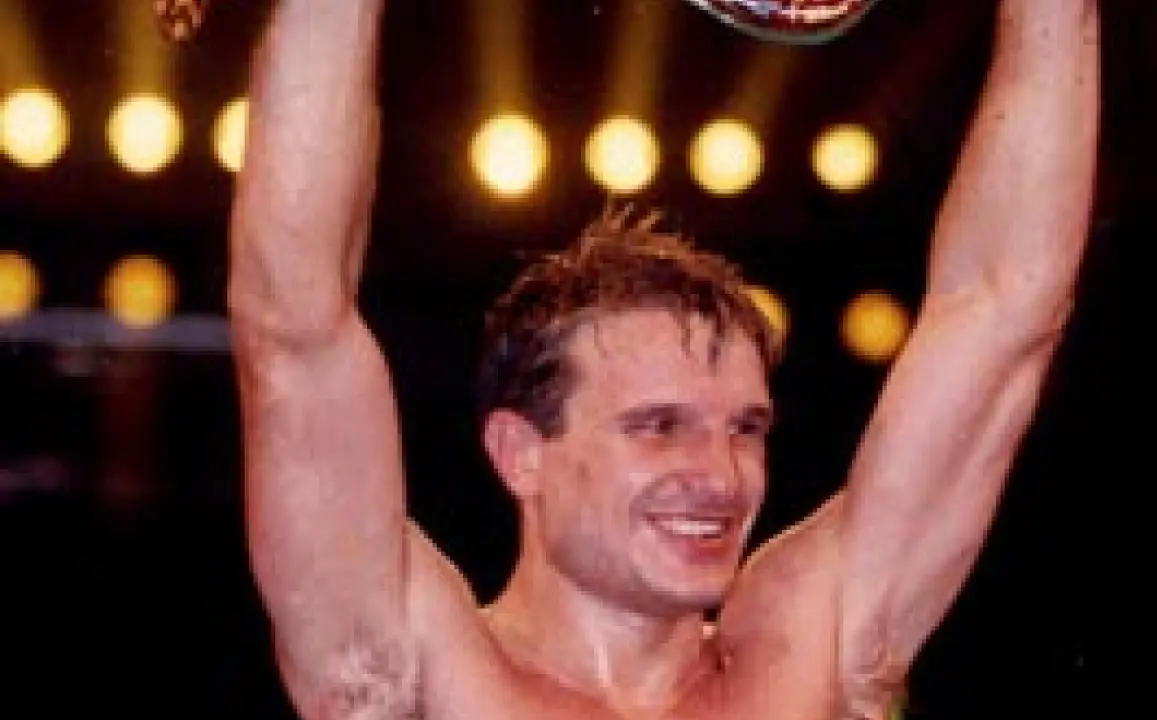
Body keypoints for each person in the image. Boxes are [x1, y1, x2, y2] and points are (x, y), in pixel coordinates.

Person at [226, 0, 1100, 717]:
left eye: (746, 429)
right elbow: (291, 328)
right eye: (658, 426)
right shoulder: (415, 674)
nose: (719, 474)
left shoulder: (806, 655)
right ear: (519, 452)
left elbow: (1005, 310)